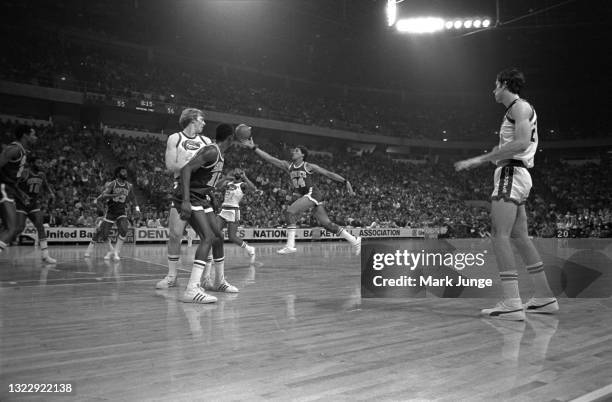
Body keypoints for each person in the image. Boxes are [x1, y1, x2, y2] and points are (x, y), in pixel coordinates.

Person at [455, 67, 558, 321]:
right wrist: (497, 153)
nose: (493, 90)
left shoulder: (518, 107)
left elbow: (522, 143)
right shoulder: (516, 110)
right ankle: (545, 297)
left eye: (495, 85)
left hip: (511, 174)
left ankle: (512, 302)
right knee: (520, 236)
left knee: (498, 234)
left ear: (503, 84)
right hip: (518, 174)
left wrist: (483, 157)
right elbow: (517, 144)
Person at [239, 127, 361, 255]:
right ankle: (355, 240)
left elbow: (328, 173)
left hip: (312, 194)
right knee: (327, 224)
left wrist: (345, 181)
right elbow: (269, 158)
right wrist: (254, 147)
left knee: (289, 212)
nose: (293, 152)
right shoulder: (288, 166)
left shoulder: (308, 166)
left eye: (296, 151)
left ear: (302, 154)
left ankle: (290, 245)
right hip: (308, 195)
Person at [173, 123, 236, 304]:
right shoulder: (212, 151)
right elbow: (186, 169)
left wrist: (213, 189)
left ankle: (219, 281)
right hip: (189, 196)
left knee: (218, 236)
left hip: (201, 196)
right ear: (230, 138)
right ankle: (191, 289)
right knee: (207, 237)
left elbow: (205, 179)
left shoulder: (219, 155)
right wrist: (185, 200)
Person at [156, 108, 212, 289]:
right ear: (193, 119)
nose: (204, 123)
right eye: (202, 119)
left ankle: (207, 277)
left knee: (207, 235)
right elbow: (171, 165)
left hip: (200, 190)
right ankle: (172, 276)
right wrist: (193, 163)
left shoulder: (206, 141)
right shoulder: (175, 138)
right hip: (180, 188)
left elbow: (209, 168)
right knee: (175, 234)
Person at [84, 166, 139, 260]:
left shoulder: (129, 186)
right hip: (111, 212)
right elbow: (104, 196)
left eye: (126, 172)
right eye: (123, 172)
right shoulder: (112, 184)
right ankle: (110, 250)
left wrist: (137, 209)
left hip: (121, 211)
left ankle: (116, 252)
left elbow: (133, 198)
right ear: (118, 173)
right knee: (104, 234)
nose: (125, 173)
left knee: (124, 230)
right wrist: (115, 195)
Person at [0, 125, 37, 255]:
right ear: (25, 136)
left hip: (9, 189)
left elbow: (12, 178)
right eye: (33, 134)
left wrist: (21, 193)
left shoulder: (23, 151)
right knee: (12, 228)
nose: (35, 137)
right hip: (3, 188)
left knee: (15, 228)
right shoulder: (14, 149)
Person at [16, 156, 56, 263]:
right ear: (32, 163)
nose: (41, 164)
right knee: (19, 228)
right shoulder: (25, 172)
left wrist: (51, 193)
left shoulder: (42, 175)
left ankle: (45, 255)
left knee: (40, 225)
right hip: (21, 203)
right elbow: (14, 186)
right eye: (38, 162)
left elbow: (46, 186)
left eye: (41, 162)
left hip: (33, 203)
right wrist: (23, 195)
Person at [214, 168, 257, 266]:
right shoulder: (228, 183)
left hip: (234, 211)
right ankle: (213, 255)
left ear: (241, 174)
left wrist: (245, 178)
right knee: (214, 231)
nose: (236, 172)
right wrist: (225, 177)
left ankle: (249, 249)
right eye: (235, 171)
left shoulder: (243, 185)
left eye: (239, 172)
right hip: (224, 210)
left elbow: (254, 188)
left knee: (232, 237)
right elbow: (217, 186)